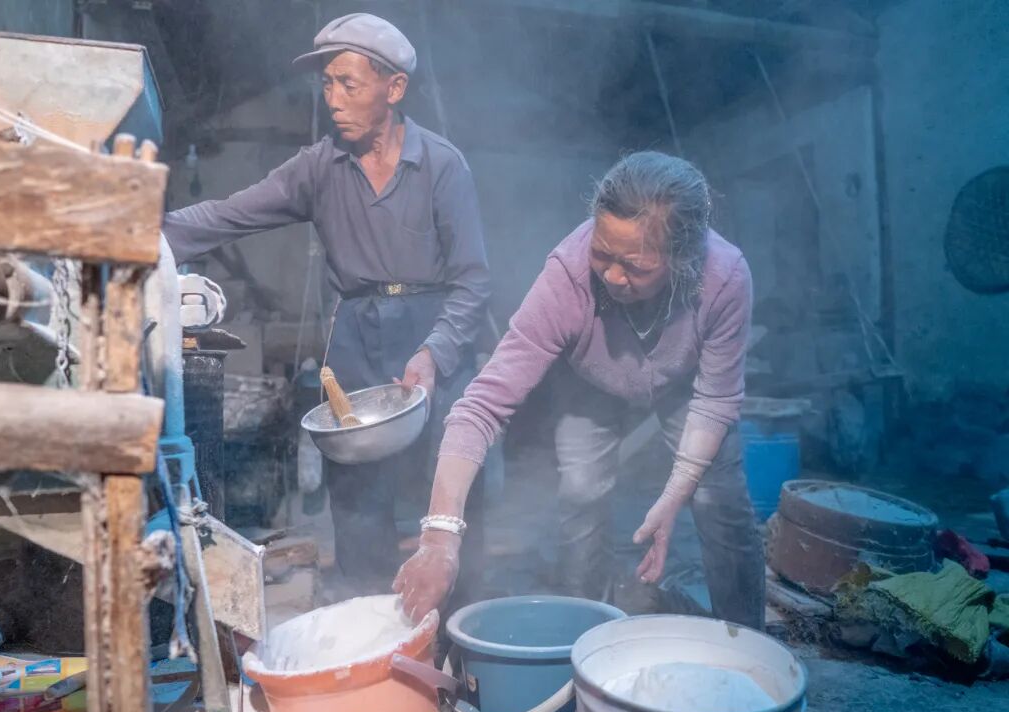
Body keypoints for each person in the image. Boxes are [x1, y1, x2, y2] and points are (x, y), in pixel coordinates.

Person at [162, 13, 490, 598]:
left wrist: (435, 353)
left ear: (394, 88)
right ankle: (370, 622)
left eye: (348, 84)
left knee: (454, 489)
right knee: (359, 498)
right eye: (328, 84)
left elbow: (472, 283)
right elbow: (229, 214)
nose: (333, 99)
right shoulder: (319, 167)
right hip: (357, 334)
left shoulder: (442, 166)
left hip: (434, 332)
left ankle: (461, 623)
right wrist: (139, 232)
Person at [395, 151, 765, 630]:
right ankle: (583, 627)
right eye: (602, 253)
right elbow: (481, 407)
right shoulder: (568, 276)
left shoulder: (725, 278)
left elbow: (716, 400)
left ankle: (747, 641)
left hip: (685, 386)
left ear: (683, 259)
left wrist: (674, 497)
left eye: (634, 266)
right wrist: (439, 536)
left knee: (720, 501)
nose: (611, 276)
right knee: (581, 491)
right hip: (590, 380)